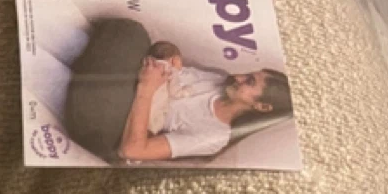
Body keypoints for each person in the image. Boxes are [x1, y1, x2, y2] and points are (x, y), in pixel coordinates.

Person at [119, 57, 292, 162]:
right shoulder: (219, 79)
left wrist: (146, 87)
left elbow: (133, 151)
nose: (238, 77)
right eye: (247, 74)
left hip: (128, 108)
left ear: (262, 106)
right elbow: (173, 70)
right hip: (136, 77)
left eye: (249, 82)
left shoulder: (214, 136)